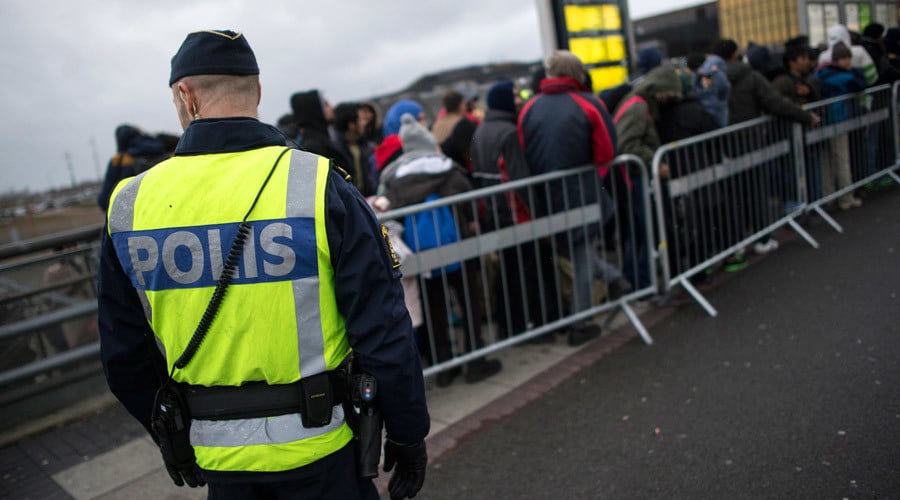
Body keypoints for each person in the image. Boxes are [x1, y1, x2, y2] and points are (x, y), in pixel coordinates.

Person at [97, 29, 429, 500]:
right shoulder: (318, 184)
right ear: (257, 90)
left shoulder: (129, 204)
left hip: (218, 459)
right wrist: (408, 431)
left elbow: (123, 353)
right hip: (324, 449)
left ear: (185, 97)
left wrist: (170, 436)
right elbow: (383, 327)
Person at [380, 114, 503, 387]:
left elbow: (391, 212)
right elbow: (470, 203)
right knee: (467, 300)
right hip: (458, 243)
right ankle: (475, 358)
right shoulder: (448, 168)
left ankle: (444, 364)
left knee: (434, 305)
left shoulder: (394, 176)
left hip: (421, 253)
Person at [517, 50, 618, 346]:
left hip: (545, 197)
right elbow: (607, 152)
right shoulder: (589, 104)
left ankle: (616, 281)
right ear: (577, 73)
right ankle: (581, 322)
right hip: (583, 191)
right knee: (582, 257)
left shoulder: (529, 108)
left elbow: (523, 153)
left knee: (576, 254)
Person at [815, 42, 867, 211]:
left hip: (823, 120)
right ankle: (846, 197)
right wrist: (853, 70)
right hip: (838, 118)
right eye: (845, 58)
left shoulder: (821, 73)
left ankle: (829, 196)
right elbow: (860, 83)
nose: (847, 61)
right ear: (837, 60)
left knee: (827, 161)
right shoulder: (843, 76)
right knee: (841, 159)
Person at [97, 125, 170, 212]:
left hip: (133, 216)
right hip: (163, 210)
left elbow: (104, 200)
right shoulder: (165, 153)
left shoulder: (120, 160)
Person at [290, 88, 354, 170]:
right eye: (326, 104)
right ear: (315, 110)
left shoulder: (326, 138)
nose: (332, 107)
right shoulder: (313, 148)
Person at [333, 102, 377, 196]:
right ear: (351, 125)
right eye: (361, 119)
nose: (365, 123)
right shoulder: (335, 151)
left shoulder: (366, 146)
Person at [431, 90, 478, 172]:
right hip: (459, 170)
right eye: (464, 103)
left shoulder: (437, 124)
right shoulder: (463, 123)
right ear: (460, 105)